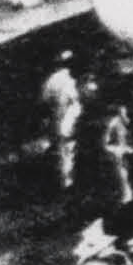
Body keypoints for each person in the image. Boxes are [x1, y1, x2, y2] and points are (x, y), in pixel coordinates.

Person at [40, 53, 83, 196]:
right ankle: (71, 184)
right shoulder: (73, 78)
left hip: (60, 120)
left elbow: (44, 101)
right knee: (71, 151)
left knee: (63, 153)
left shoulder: (51, 80)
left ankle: (66, 184)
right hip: (71, 119)